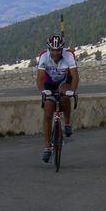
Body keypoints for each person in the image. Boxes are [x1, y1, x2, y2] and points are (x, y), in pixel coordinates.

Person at [36, 34, 79, 163]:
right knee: (48, 113)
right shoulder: (44, 56)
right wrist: (44, 91)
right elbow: (39, 78)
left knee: (65, 94)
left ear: (62, 49)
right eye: (53, 50)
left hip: (64, 80)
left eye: (58, 50)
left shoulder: (69, 56)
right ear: (49, 49)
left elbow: (75, 76)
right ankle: (48, 147)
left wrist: (72, 91)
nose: (55, 53)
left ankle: (67, 123)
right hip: (49, 82)